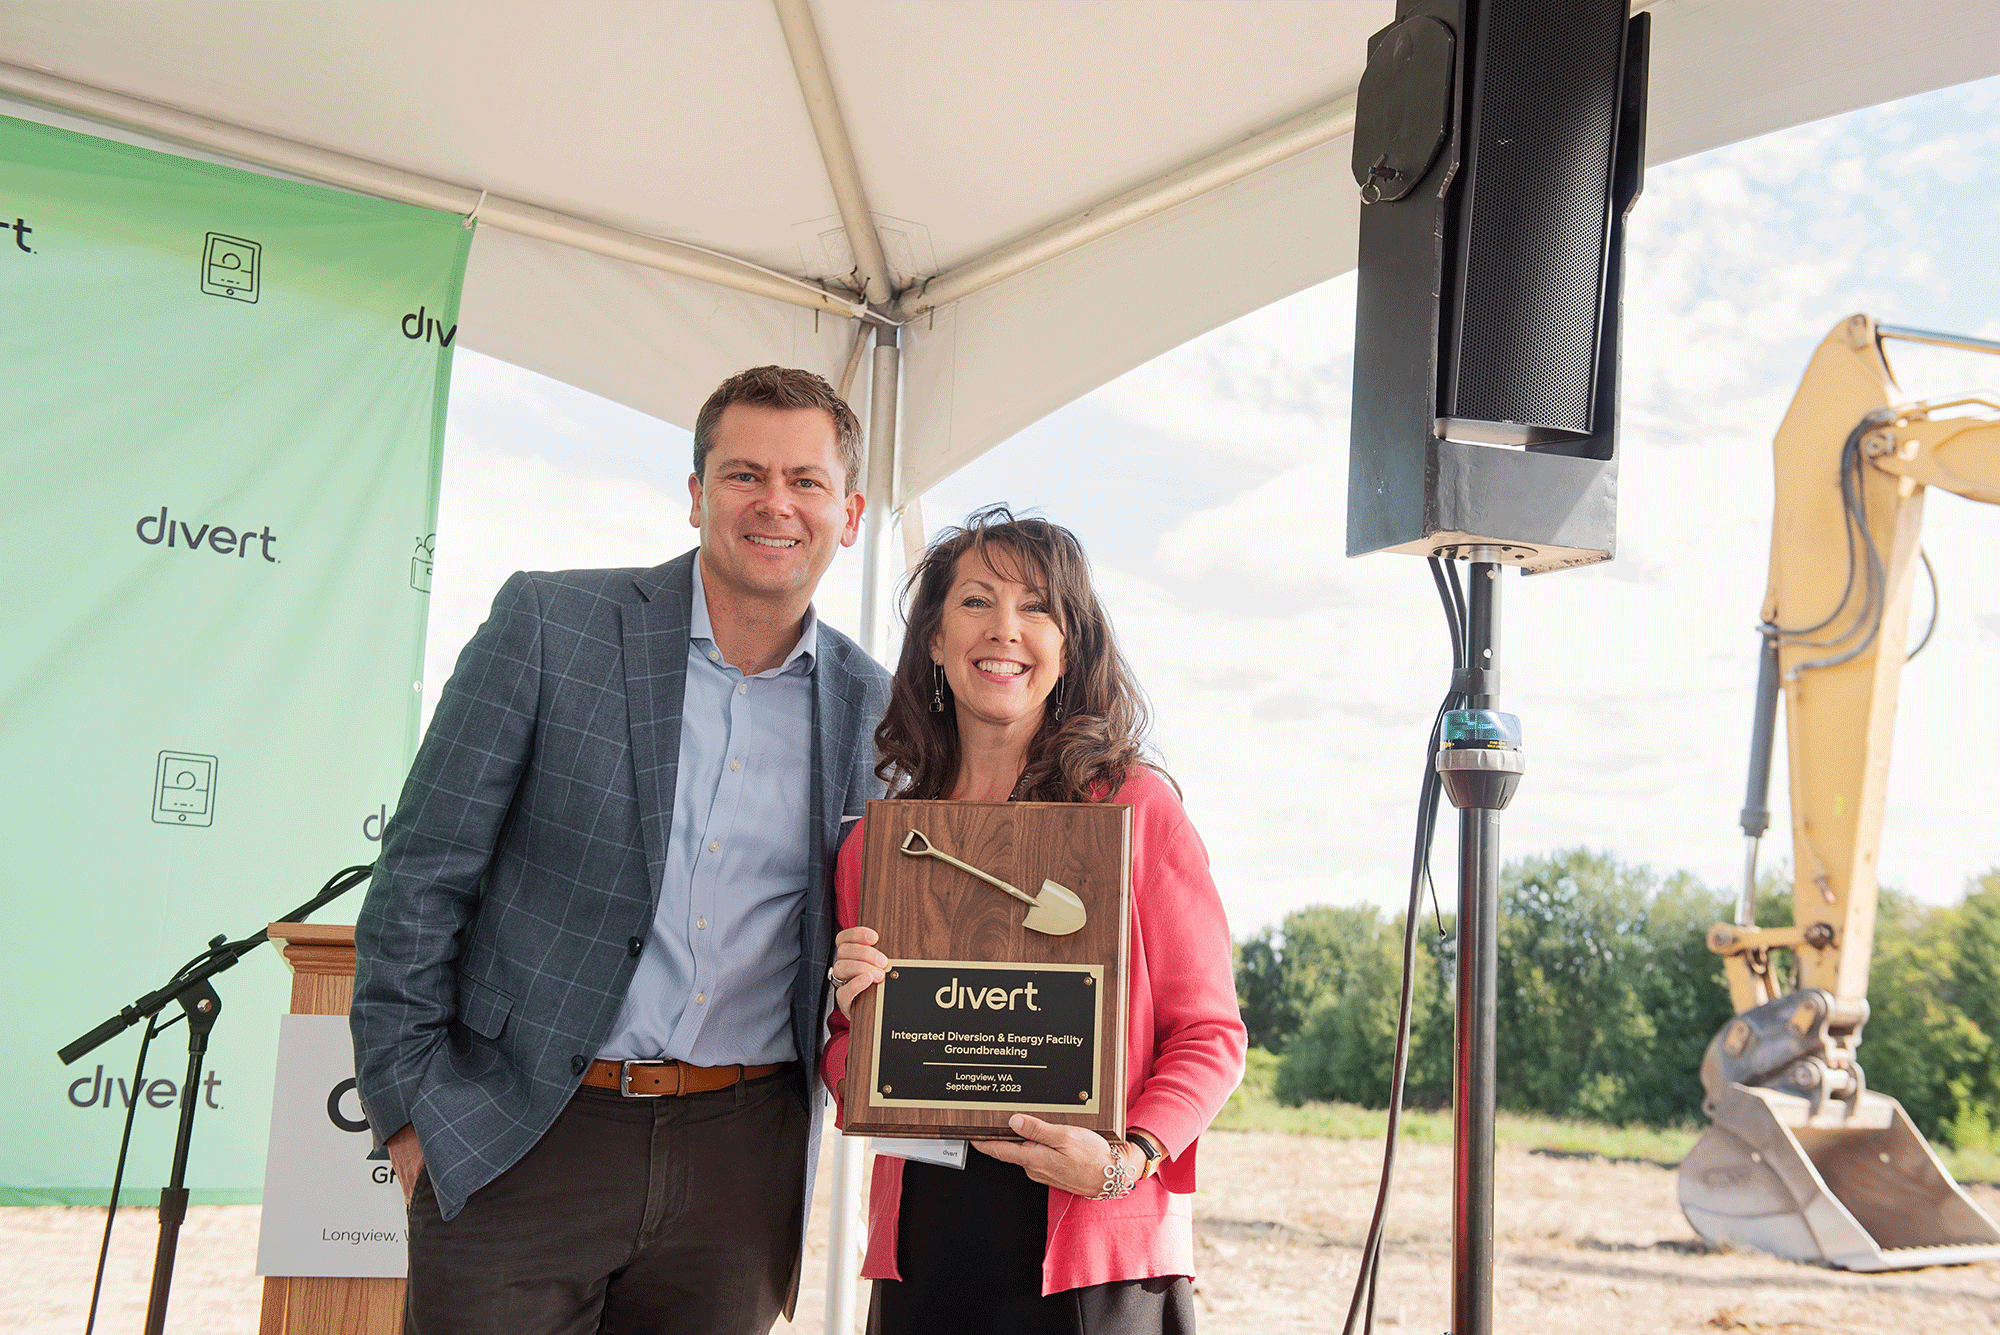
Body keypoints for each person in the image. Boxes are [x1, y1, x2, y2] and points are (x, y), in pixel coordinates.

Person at [351, 365, 892, 1335]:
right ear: (695, 497)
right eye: (743, 475)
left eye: (806, 482)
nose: (775, 503)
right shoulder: (551, 626)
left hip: (740, 1160)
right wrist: (409, 1115)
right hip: (525, 1132)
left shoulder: (876, 710)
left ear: (847, 513)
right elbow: (422, 874)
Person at [822, 507, 1247, 1334]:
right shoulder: (879, 847)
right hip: (928, 1245)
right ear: (936, 643)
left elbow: (1211, 1034)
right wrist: (853, 1017)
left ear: (1070, 645)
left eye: (1037, 606)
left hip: (1095, 1247)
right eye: (976, 602)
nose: (1005, 629)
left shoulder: (1133, 807)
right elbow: (845, 1066)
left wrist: (1128, 1160)